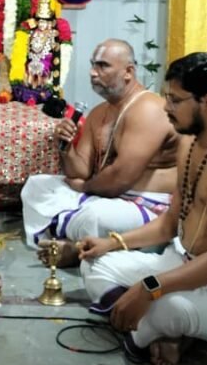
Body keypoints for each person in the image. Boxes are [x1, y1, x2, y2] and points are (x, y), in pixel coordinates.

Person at [79, 52, 207, 365]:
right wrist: (112, 243)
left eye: (175, 100)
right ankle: (165, 335)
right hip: (184, 264)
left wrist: (149, 289)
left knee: (167, 308)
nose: (166, 107)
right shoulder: (189, 143)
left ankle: (159, 330)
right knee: (95, 264)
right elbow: (169, 224)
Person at [21, 39, 180, 266]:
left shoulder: (148, 108)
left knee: (95, 215)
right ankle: (82, 243)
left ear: (128, 72)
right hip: (106, 195)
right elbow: (80, 171)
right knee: (36, 187)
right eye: (92, 65)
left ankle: (77, 249)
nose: (93, 72)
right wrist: (66, 145)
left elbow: (120, 178)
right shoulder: (99, 113)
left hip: (146, 205)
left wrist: (84, 187)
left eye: (103, 65)